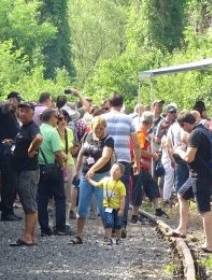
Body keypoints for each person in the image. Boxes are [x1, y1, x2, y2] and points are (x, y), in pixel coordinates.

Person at [173, 111, 212, 253]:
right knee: (182, 195)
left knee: (204, 210)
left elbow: (189, 158)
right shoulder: (204, 130)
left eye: (182, 127)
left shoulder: (195, 134)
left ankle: (209, 244)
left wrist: (178, 150)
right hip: (195, 175)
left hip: (200, 176)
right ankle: (182, 228)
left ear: (185, 124)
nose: (183, 130)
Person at [70, 116, 114, 245]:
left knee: (104, 206)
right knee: (82, 206)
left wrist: (93, 169)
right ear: (91, 127)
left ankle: (107, 236)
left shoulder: (108, 140)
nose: (99, 130)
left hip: (102, 176)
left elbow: (105, 157)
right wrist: (77, 170)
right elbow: (81, 153)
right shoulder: (88, 135)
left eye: (101, 128)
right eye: (96, 128)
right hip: (85, 176)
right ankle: (79, 236)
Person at [102, 93, 141, 238]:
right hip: (123, 160)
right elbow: (136, 144)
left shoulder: (102, 118)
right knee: (122, 193)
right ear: (122, 104)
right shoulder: (128, 119)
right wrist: (136, 162)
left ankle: (109, 225)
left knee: (107, 192)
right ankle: (121, 224)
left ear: (109, 103)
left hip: (106, 159)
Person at [10, 101, 43, 247]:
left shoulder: (32, 127)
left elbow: (39, 138)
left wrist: (30, 150)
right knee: (26, 202)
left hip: (29, 171)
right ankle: (27, 235)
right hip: (21, 170)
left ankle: (29, 236)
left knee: (29, 204)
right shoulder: (23, 127)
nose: (22, 113)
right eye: (20, 110)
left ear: (32, 113)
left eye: (25, 111)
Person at [130, 112, 167, 223]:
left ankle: (158, 209)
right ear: (150, 123)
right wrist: (153, 155)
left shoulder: (143, 133)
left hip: (143, 167)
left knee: (152, 185)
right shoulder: (141, 134)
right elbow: (139, 151)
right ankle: (134, 215)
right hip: (139, 166)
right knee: (138, 190)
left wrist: (152, 152)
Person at [37, 108, 68, 236]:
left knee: (42, 199)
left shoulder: (37, 130)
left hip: (39, 167)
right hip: (52, 167)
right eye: (57, 117)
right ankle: (60, 227)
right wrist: (62, 165)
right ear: (51, 118)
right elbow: (57, 153)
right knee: (60, 198)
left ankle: (44, 228)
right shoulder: (52, 132)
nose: (58, 120)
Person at [0, 92, 22, 221]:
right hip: (5, 151)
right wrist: (8, 103)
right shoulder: (3, 112)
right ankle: (7, 211)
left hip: (10, 151)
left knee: (11, 181)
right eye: (17, 101)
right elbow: (3, 108)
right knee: (10, 181)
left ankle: (7, 209)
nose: (18, 103)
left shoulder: (12, 115)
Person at [86, 163, 127, 245]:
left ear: (121, 174)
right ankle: (108, 238)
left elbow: (123, 198)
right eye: (113, 168)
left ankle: (118, 239)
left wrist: (122, 209)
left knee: (118, 224)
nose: (114, 170)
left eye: (117, 170)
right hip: (107, 207)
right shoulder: (105, 180)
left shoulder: (121, 185)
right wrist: (89, 180)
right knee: (109, 222)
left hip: (117, 208)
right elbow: (97, 184)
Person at [56, 109, 77, 222]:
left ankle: (66, 220)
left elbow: (73, 149)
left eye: (65, 118)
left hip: (69, 164)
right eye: (60, 118)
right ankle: (57, 219)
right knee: (58, 193)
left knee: (68, 193)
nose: (63, 121)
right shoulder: (53, 132)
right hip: (57, 165)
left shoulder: (69, 131)